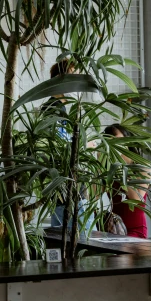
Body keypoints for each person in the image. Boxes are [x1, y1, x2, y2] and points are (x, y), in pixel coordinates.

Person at [41, 59, 95, 233]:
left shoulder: (63, 109)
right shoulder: (54, 109)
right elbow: (62, 146)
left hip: (66, 188)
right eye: (74, 75)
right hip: (68, 188)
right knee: (80, 242)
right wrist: (86, 144)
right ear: (60, 79)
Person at [103, 124, 149, 238]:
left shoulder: (142, 167)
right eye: (109, 139)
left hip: (136, 229)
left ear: (128, 140)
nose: (113, 143)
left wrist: (118, 169)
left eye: (116, 138)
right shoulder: (108, 168)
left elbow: (137, 198)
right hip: (114, 229)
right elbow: (94, 195)